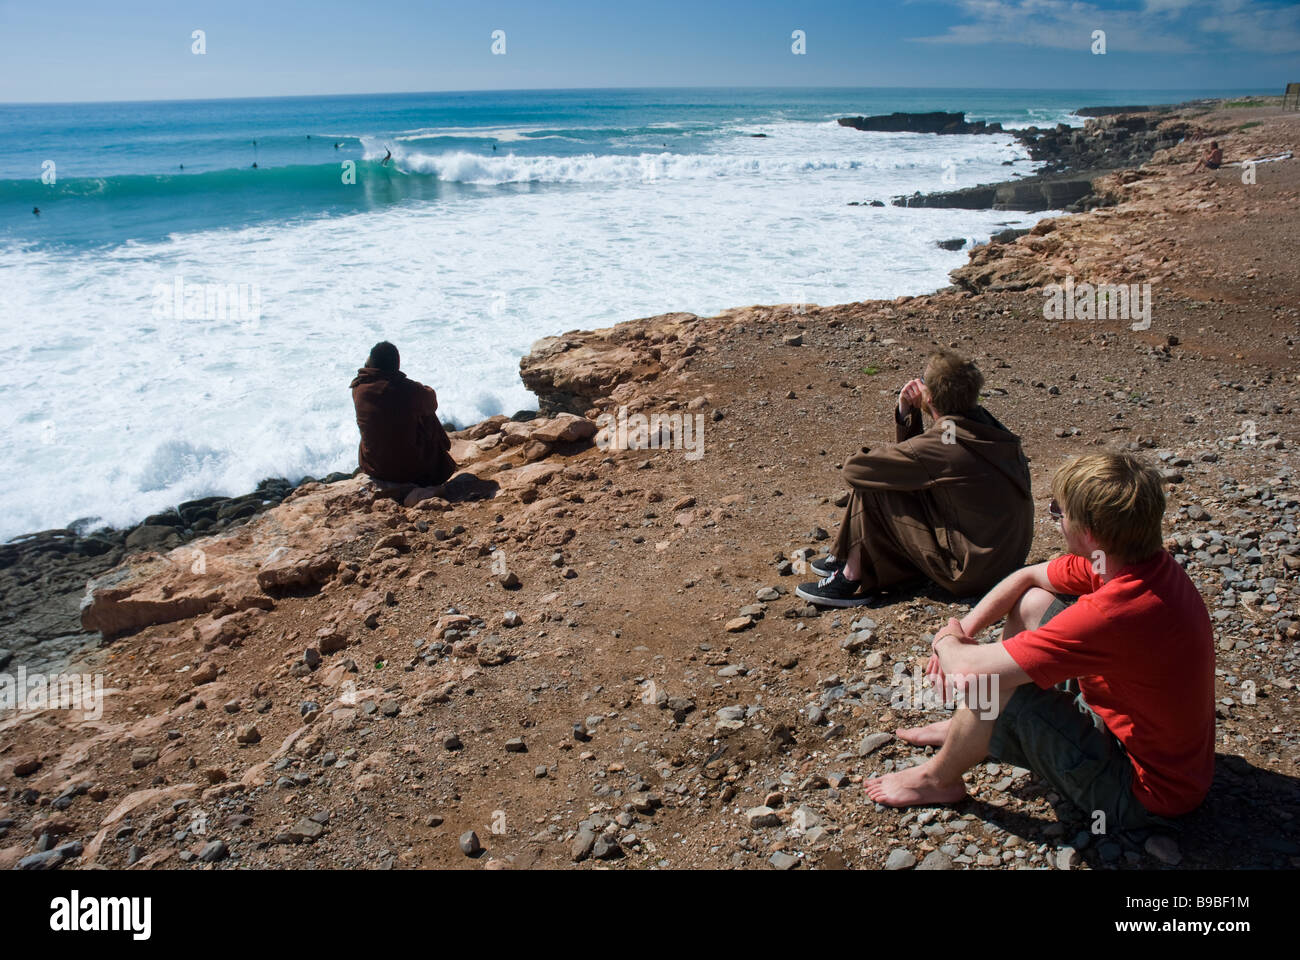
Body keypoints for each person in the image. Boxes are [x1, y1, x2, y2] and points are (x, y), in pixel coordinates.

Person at [865, 453, 1215, 846]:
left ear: (1091, 534)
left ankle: (938, 779)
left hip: (1142, 794)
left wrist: (946, 639)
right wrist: (965, 628)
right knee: (1032, 602)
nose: (1056, 520)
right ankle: (971, 730)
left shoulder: (1114, 612)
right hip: (1143, 737)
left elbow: (973, 673)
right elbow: (1027, 577)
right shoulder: (1129, 560)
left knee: (992, 683)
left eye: (1058, 512)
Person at [796, 349, 1032, 607]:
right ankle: (843, 556)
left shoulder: (946, 444)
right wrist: (915, 411)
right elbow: (923, 468)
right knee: (893, 475)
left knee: (872, 483)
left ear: (929, 395)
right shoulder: (986, 428)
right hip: (1004, 561)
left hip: (970, 572)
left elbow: (855, 470)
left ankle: (850, 579)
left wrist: (916, 408)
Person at [350, 341, 457, 486]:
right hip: (411, 471)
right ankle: (442, 460)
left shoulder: (359, 388)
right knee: (426, 413)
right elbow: (431, 401)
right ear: (396, 365)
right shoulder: (408, 389)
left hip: (374, 468)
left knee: (377, 423)